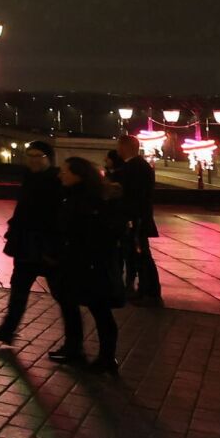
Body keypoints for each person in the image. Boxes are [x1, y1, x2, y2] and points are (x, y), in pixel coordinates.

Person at [0, 141, 65, 346]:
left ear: (48, 158)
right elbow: (24, 208)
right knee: (19, 288)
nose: (33, 160)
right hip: (26, 244)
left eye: (38, 156)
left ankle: (74, 341)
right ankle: (7, 329)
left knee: (62, 295)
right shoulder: (29, 177)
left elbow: (55, 216)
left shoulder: (55, 180)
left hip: (45, 246)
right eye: (30, 155)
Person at [52, 157, 125, 373]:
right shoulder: (76, 195)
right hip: (78, 262)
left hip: (90, 263)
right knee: (72, 303)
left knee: (99, 310)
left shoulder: (91, 200)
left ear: (78, 175)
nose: (60, 175)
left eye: (65, 171)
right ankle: (78, 349)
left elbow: (98, 232)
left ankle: (106, 358)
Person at [113, 135, 161, 303]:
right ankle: (145, 291)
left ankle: (149, 293)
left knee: (141, 256)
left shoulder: (134, 167)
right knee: (139, 256)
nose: (117, 150)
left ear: (126, 147)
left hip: (136, 220)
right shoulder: (139, 166)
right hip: (138, 218)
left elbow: (132, 196)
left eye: (119, 146)